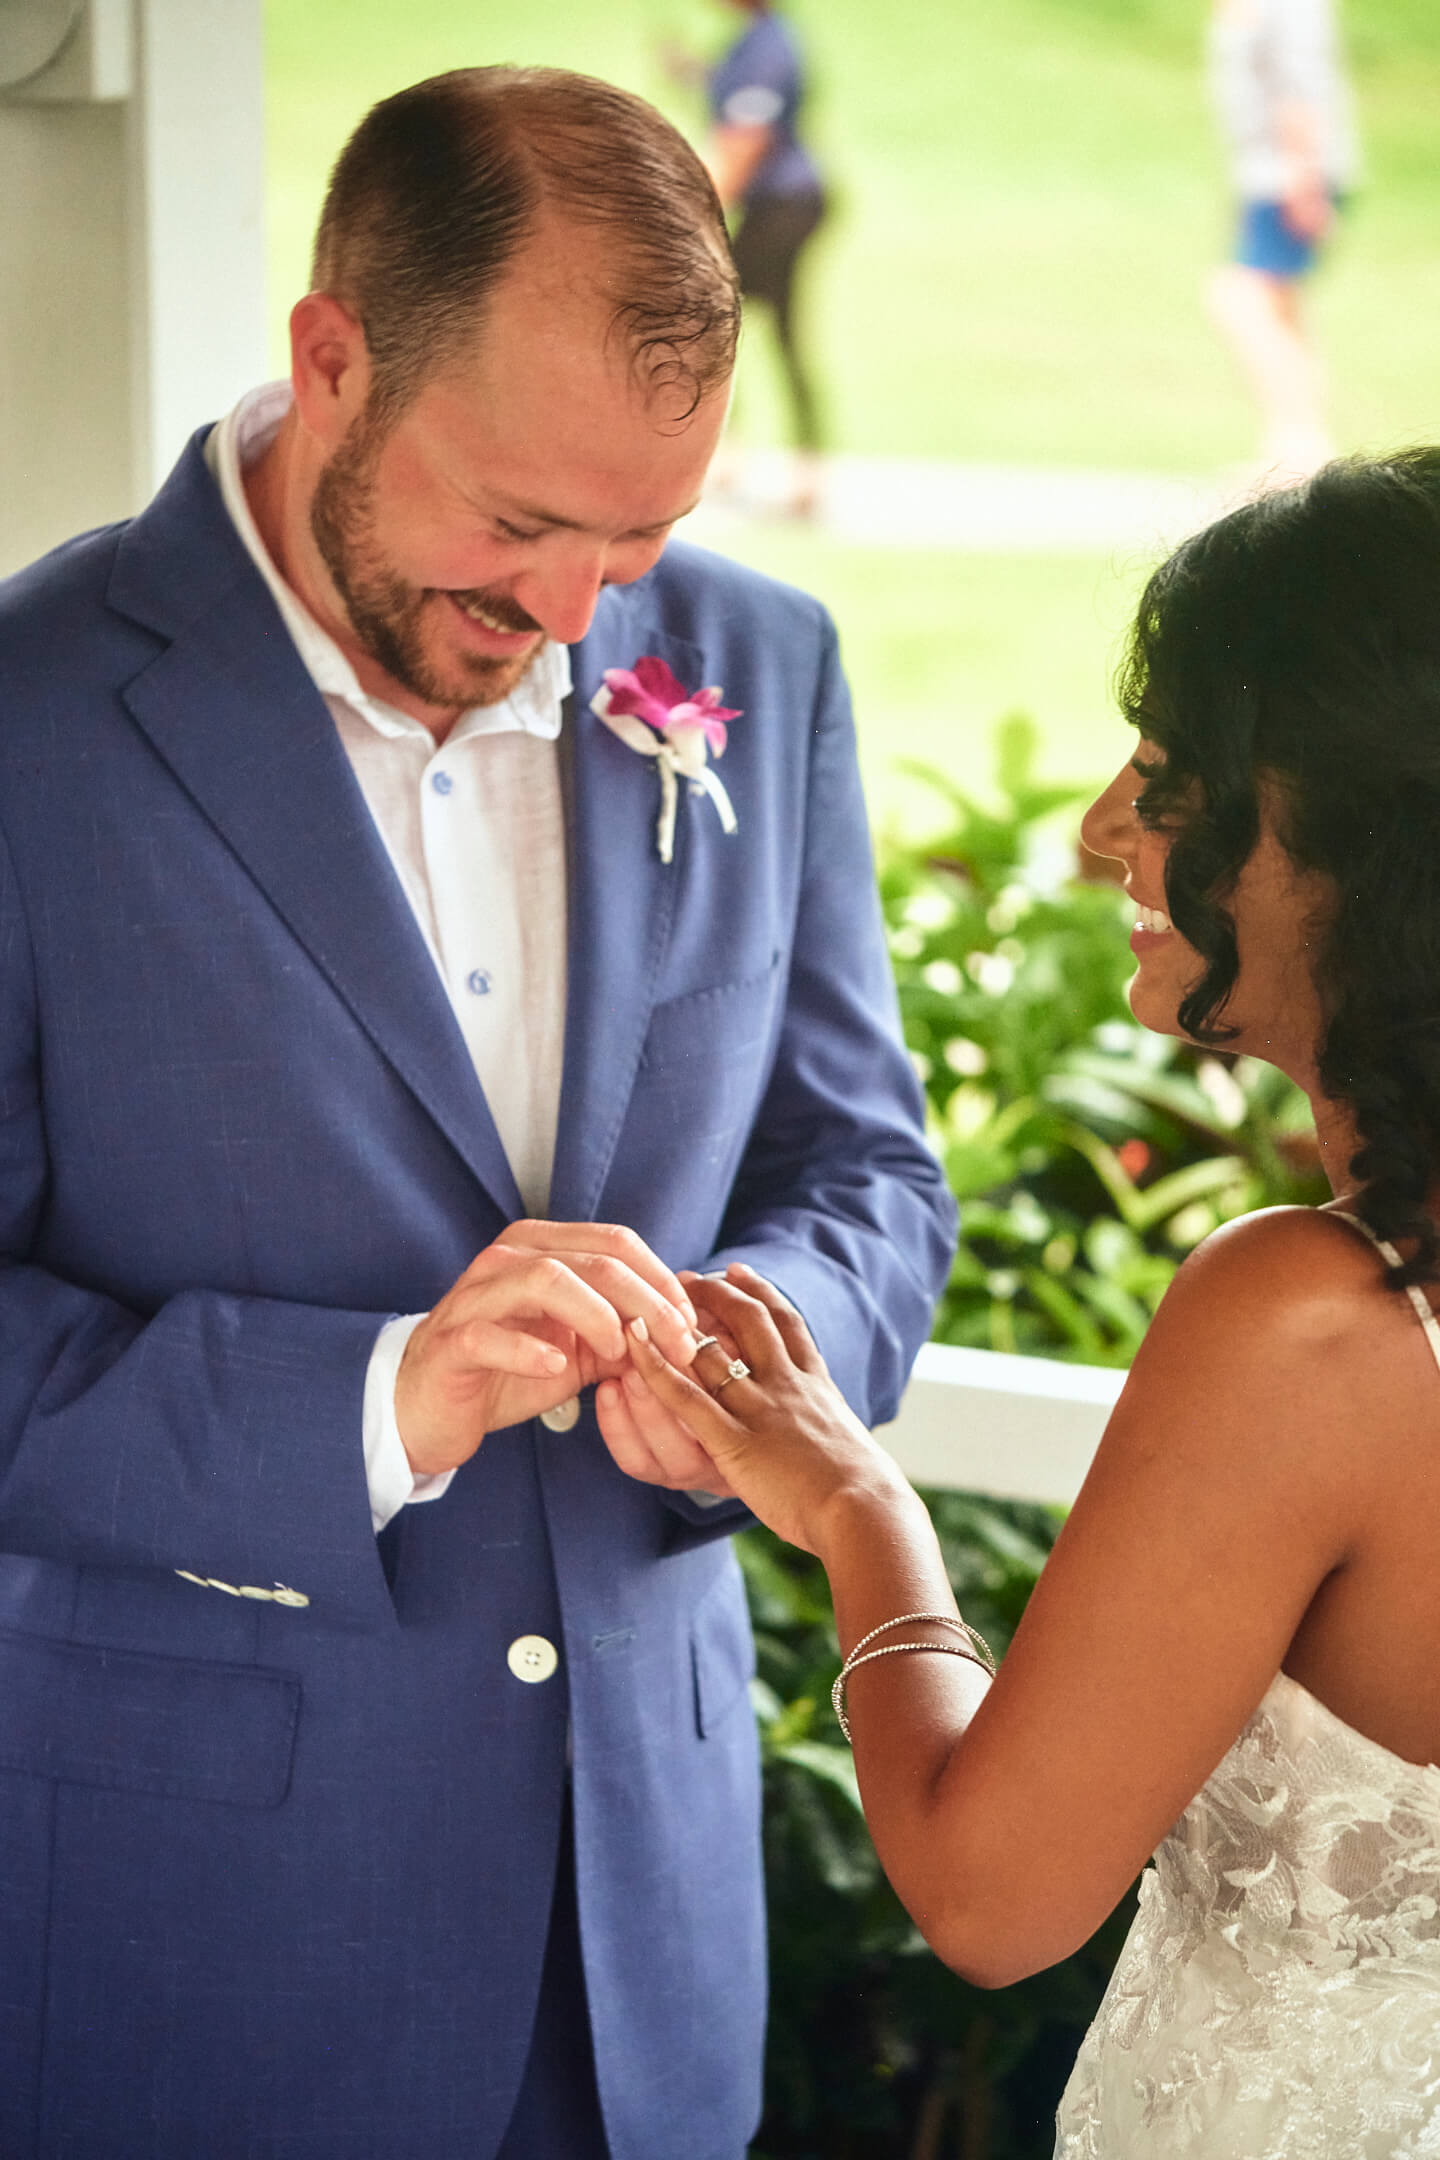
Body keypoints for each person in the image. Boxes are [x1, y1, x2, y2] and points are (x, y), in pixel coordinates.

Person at [0, 66, 955, 2160]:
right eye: (519, 527)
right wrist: (375, 1406)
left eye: (648, 538)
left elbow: (864, 1167)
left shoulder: (759, 670)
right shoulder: (34, 713)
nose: (579, 621)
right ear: (331, 361)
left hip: (651, 1946)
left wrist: (751, 1351)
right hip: (205, 1951)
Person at [624, 452, 1440, 2154]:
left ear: (1369, 834)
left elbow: (994, 1899)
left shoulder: (1311, 1325)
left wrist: (856, 1509)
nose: (1100, 836)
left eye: (1176, 774)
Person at [1206, 0, 1359, 482]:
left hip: (1289, 176)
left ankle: (1300, 444)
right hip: (1267, 176)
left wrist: (1305, 180)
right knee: (1282, 312)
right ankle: (1298, 449)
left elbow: (1301, 86)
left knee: (1238, 301)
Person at [698, 0, 828, 515]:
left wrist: (696, 210)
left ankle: (737, 458)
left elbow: (746, 140)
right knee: (753, 329)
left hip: (782, 205)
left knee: (720, 320)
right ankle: (791, 468)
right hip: (780, 205)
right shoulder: (756, 39)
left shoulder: (769, 45)